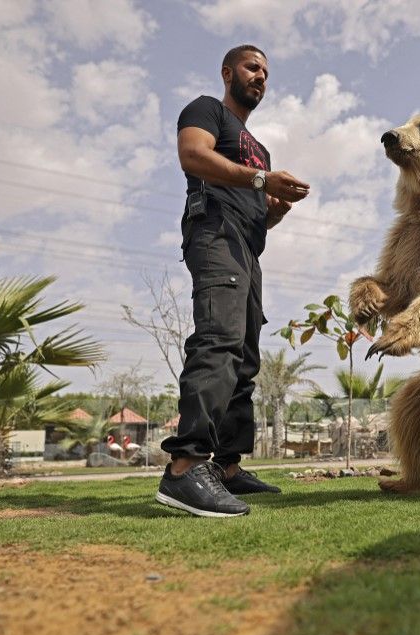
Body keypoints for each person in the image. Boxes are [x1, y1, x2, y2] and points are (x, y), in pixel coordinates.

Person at [156, 45, 311, 518]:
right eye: (252, 67)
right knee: (219, 340)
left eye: (266, 71)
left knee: (244, 356)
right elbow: (192, 156)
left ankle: (226, 467)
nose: (260, 76)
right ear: (228, 72)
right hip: (214, 232)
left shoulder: (257, 148)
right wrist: (262, 181)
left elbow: (258, 215)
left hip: (246, 245)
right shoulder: (207, 110)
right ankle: (184, 468)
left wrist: (274, 210)